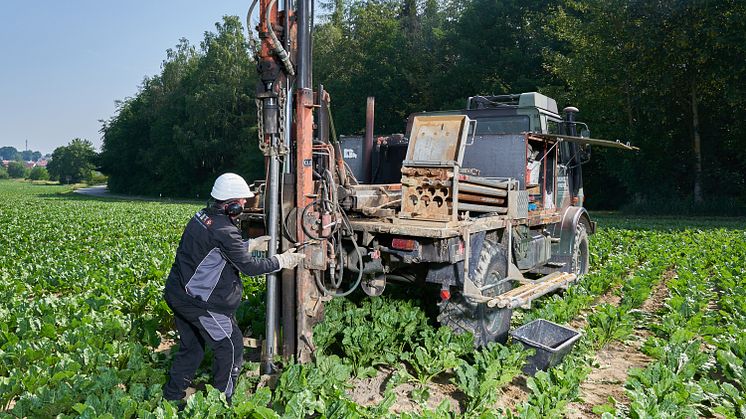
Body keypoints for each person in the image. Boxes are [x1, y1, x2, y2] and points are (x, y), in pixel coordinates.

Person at [162, 172, 304, 404]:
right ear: (230, 206)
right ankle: (220, 403)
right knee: (230, 346)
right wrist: (282, 261)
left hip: (177, 292)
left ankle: (172, 396)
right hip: (200, 303)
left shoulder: (202, 216)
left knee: (193, 349)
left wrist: (248, 245)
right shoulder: (225, 231)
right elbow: (248, 268)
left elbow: (215, 249)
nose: (245, 204)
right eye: (241, 201)